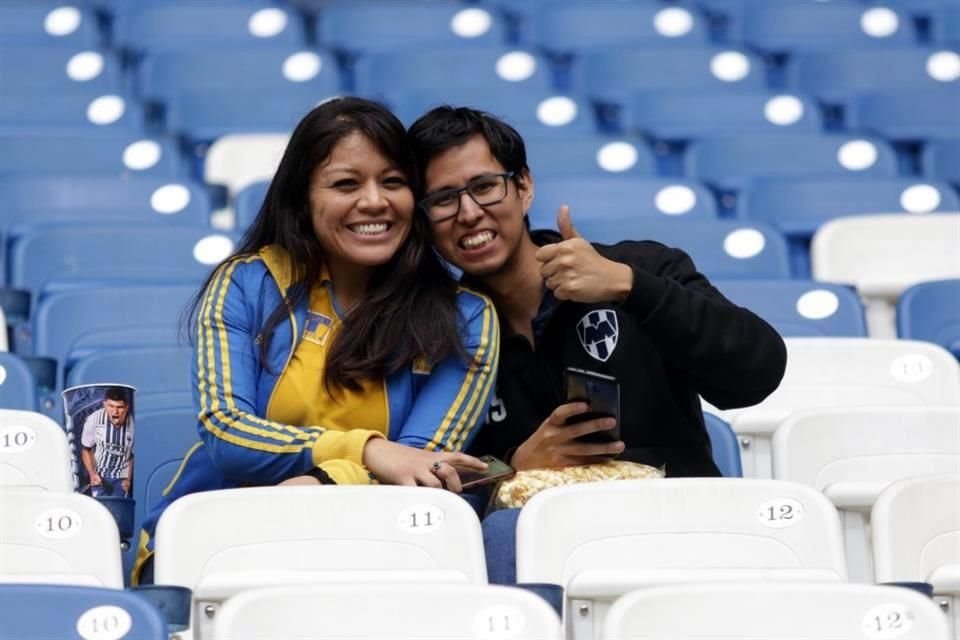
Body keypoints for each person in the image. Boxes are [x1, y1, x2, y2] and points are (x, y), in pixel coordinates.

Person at [408, 106, 788, 583]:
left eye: (485, 187)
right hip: (546, 563)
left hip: (689, 543)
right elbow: (435, 476)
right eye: (443, 199)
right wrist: (515, 465)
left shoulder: (640, 267)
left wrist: (631, 288)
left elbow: (758, 373)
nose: (468, 213)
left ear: (524, 186)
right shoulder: (437, 335)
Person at [132, 98, 499, 584]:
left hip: (375, 553)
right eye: (346, 184)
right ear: (303, 197)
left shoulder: (466, 318)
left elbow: (419, 471)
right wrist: (367, 450)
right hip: (216, 543)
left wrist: (320, 481)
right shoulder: (248, 284)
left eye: (393, 182)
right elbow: (226, 433)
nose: (374, 201)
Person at [80, 386, 134, 498]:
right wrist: (92, 474)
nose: (115, 411)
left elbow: (131, 456)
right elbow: (86, 449)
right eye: (111, 406)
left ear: (127, 407)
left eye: (120, 407)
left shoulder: (134, 425)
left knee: (117, 512)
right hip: (100, 477)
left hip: (121, 478)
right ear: (104, 404)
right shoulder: (94, 419)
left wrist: (128, 479)